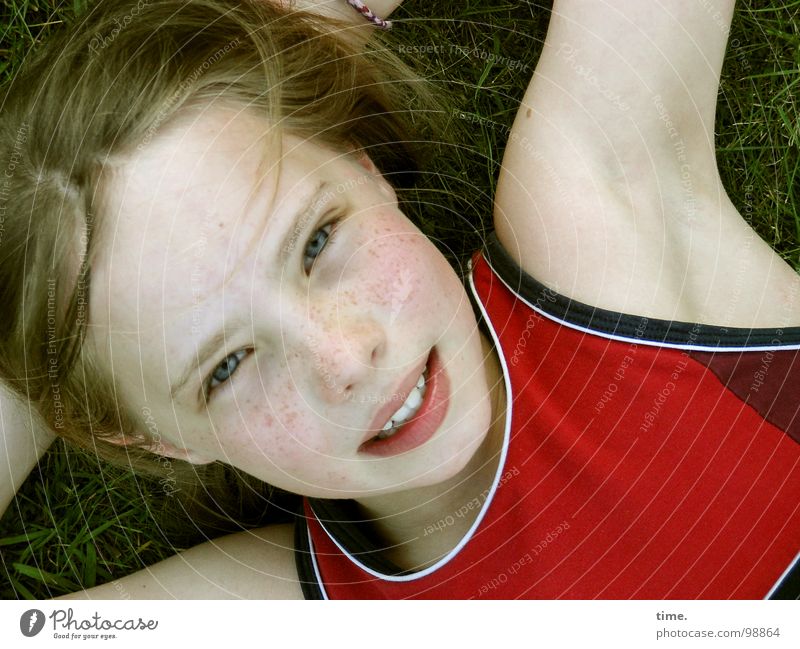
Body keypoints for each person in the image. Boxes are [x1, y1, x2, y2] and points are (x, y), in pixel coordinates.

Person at [1, 0, 798, 599]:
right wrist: (58, 320)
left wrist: (318, 20)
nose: (346, 358)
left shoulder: (599, 238)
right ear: (154, 440)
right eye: (227, 364)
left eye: (316, 242)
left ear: (362, 162)